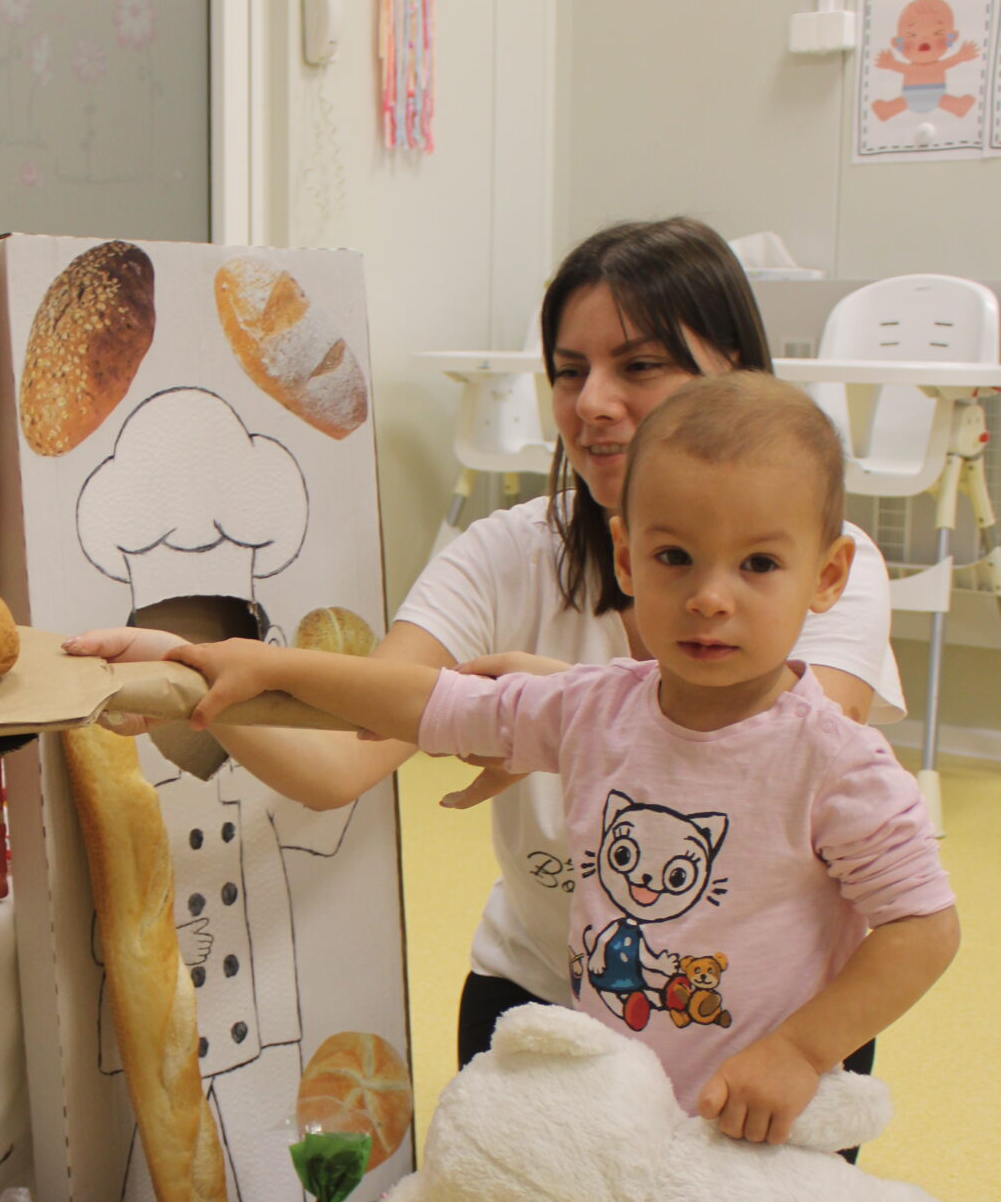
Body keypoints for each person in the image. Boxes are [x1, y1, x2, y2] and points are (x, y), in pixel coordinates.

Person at [160, 371, 958, 1202]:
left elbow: (922, 929)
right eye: (675, 558)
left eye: (758, 565)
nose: (711, 597)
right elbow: (426, 703)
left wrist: (797, 1050)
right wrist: (261, 669)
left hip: (749, 1161)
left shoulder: (832, 761)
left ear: (825, 576)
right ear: (625, 561)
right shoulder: (595, 708)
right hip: (606, 1140)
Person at [68, 217, 906, 1072]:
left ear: (736, 373)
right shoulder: (508, 552)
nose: (592, 403)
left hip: (764, 1032)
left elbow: (776, 755)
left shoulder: (816, 565)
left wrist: (556, 709)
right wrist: (199, 672)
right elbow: (349, 747)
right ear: (626, 557)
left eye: (639, 365)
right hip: (546, 1000)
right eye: (569, 372)